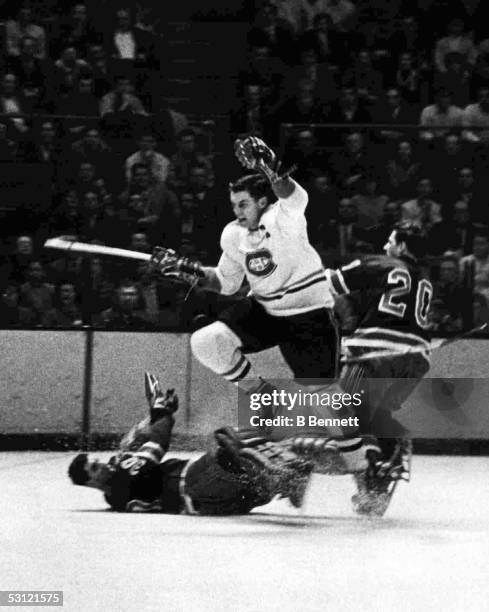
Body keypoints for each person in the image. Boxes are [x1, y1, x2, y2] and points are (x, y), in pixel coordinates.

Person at [68, 373, 313, 514]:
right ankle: (287, 475)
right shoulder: (120, 484)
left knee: (250, 475)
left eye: (96, 461)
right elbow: (157, 444)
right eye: (94, 468)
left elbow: (143, 437)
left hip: (215, 501)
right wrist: (162, 414)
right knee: (226, 438)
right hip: (199, 485)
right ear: (89, 482)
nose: (101, 465)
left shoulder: (117, 483)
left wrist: (157, 413)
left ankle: (284, 478)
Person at [323, 222, 433, 515]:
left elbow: (329, 283)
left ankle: (380, 455)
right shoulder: (424, 278)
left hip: (377, 353)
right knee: (377, 416)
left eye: (391, 240)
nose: (386, 246)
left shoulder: (385, 264)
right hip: (415, 361)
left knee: (342, 409)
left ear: (403, 247)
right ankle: (376, 488)